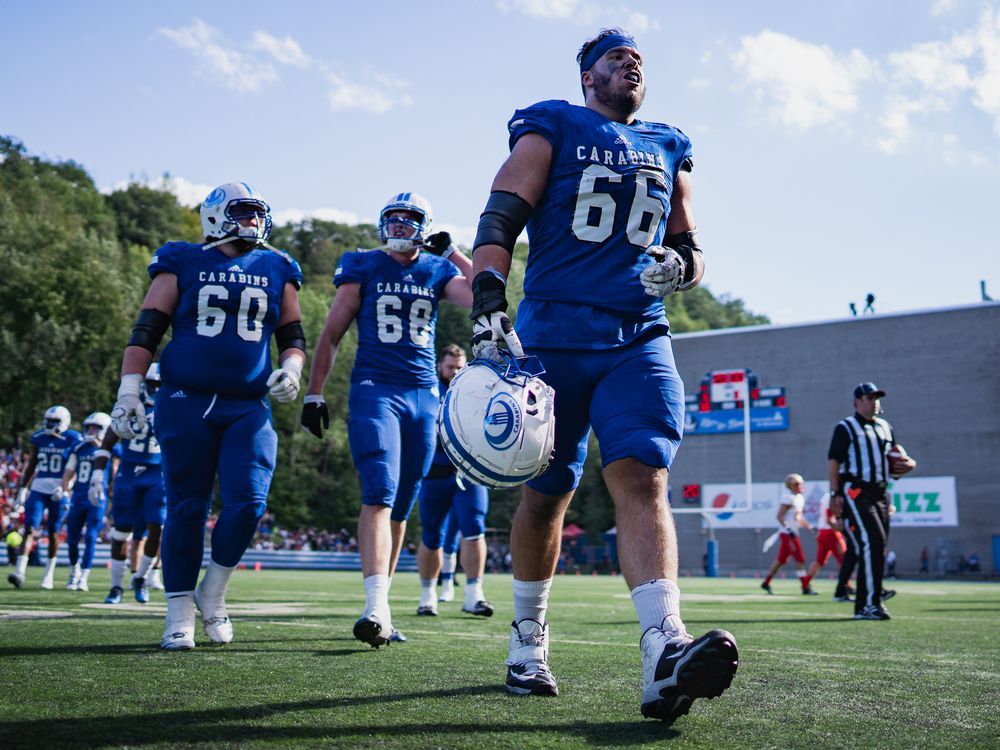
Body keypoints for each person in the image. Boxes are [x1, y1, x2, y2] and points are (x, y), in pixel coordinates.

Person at [466, 28, 737, 721]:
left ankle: (662, 649)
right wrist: (491, 295)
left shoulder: (669, 142)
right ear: (589, 76)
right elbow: (502, 211)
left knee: (643, 474)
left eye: (638, 59)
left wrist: (685, 267)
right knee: (548, 493)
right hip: (554, 335)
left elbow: (691, 243)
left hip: (638, 336)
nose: (631, 64)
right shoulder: (554, 121)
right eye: (617, 58)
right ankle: (528, 635)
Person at [108, 182, 306, 650]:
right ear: (216, 215)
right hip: (185, 398)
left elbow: (292, 334)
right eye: (243, 213)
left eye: (258, 213)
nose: (254, 222)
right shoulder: (182, 259)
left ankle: (212, 593)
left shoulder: (277, 266)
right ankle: (178, 610)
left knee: (249, 503)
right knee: (186, 506)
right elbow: (146, 330)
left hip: (248, 404)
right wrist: (129, 389)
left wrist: (293, 368)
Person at [301, 193, 473, 648]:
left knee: (402, 504)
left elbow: (483, 294)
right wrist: (315, 391)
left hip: (424, 397)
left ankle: (385, 606)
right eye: (392, 218)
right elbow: (332, 332)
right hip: (376, 388)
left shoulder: (437, 269)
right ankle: (374, 605)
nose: (399, 225)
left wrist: (454, 252)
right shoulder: (362, 264)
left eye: (409, 219)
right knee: (378, 489)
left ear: (425, 225)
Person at [415, 344, 493, 618]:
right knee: (432, 536)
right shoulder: (427, 389)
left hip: (469, 473)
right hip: (434, 475)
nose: (455, 372)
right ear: (440, 366)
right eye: (450, 367)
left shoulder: (475, 390)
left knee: (474, 529)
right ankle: (428, 595)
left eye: (459, 367)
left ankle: (474, 594)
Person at [828, 382, 915, 620]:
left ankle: (870, 602)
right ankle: (868, 604)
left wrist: (907, 466)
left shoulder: (886, 427)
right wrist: (835, 494)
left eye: (876, 398)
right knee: (872, 543)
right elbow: (834, 461)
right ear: (857, 402)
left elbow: (892, 461)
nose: (874, 402)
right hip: (857, 490)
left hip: (881, 493)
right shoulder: (846, 427)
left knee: (878, 547)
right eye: (869, 398)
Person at [92, 364, 166, 604]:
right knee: (121, 532)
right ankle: (116, 587)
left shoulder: (173, 410)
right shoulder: (129, 406)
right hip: (129, 474)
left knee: (157, 527)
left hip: (158, 474)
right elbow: (106, 444)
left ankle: (141, 578)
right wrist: (96, 476)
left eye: (159, 385)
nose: (155, 389)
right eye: (152, 384)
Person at [8, 406, 82, 589]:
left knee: (53, 531)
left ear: (63, 422)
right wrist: (23, 489)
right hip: (39, 487)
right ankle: (20, 572)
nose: (49, 424)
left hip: (59, 488)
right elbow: (32, 465)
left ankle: (48, 575)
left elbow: (77, 465)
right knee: (30, 528)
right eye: (48, 421)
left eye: (54, 421)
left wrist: (67, 486)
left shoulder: (72, 438)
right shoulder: (39, 438)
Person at [60, 412, 114, 592]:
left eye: (95, 428)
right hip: (78, 497)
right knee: (72, 538)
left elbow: (114, 472)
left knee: (91, 536)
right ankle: (74, 571)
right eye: (89, 427)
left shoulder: (111, 449)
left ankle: (84, 576)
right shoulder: (78, 447)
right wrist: (65, 492)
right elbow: (68, 473)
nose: (90, 431)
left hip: (98, 499)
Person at [760, 474, 817, 595]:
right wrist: (788, 529)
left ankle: (766, 582)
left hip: (792, 532)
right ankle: (805, 586)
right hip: (788, 534)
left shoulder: (800, 498)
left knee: (781, 560)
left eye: (800, 483)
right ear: (790, 486)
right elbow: (779, 516)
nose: (800, 486)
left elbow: (799, 518)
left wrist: (810, 527)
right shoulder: (788, 498)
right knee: (800, 559)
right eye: (796, 484)